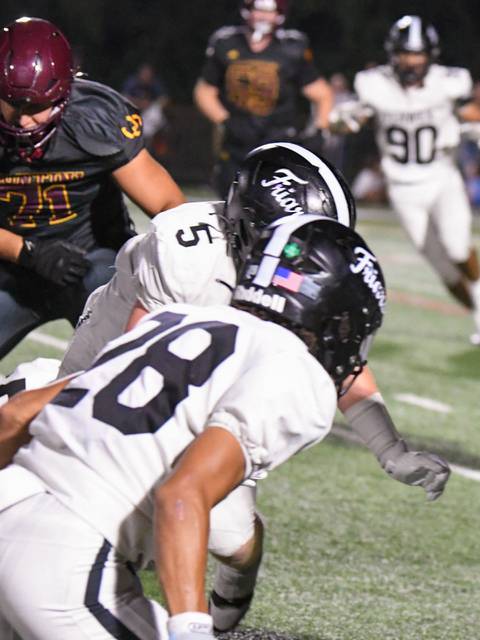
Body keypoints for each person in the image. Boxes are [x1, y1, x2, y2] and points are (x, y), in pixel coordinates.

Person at [51, 141, 449, 631]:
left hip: (210, 376)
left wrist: (391, 450)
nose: (307, 254)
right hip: (115, 366)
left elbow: (330, 344)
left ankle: (222, 618)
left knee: (238, 543)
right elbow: (136, 367)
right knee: (116, 507)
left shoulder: (288, 261)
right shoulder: (186, 255)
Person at [0, 215, 385, 639]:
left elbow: (16, 414)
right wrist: (191, 627)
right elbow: (182, 494)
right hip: (67, 555)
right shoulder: (298, 373)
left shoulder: (175, 318)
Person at [0, 17, 185, 360]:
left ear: (64, 93)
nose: (24, 120)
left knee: (134, 365)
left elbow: (169, 206)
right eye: (13, 102)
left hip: (95, 263)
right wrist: (27, 251)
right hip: (13, 267)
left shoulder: (96, 118)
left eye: (37, 106)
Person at [330, 15, 480, 347]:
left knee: (457, 245)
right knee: (442, 268)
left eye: (418, 55)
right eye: (405, 54)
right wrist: (343, 121)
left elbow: (479, 116)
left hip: (442, 177)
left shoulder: (448, 82)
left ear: (430, 56)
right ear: (393, 54)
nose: (412, 62)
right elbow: (351, 121)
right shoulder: (374, 85)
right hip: (402, 188)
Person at [194, 0, 334, 198]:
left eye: (269, 11)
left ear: (279, 14)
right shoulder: (226, 42)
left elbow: (322, 93)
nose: (262, 16)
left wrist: (320, 130)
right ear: (247, 10)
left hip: (278, 138)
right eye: (258, 9)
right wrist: (225, 120)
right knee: (230, 201)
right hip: (236, 140)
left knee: (274, 203)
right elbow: (204, 91)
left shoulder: (291, 47)